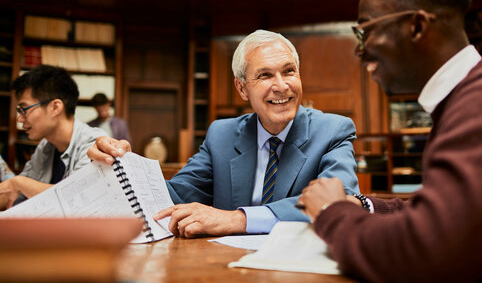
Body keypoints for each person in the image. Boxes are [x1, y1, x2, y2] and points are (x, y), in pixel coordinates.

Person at [298, 0, 482, 282]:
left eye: (365, 31)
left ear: (417, 26)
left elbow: (424, 254)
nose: (360, 51)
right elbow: (446, 212)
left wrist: (331, 213)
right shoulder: (473, 96)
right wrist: (364, 206)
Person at [89, 29, 360, 238]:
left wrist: (237, 219)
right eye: (265, 75)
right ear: (242, 88)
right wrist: (120, 162)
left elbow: (341, 203)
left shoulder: (333, 131)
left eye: (289, 72)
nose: (281, 86)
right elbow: (172, 196)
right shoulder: (222, 135)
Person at [0, 65, 106, 210]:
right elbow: (17, 194)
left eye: (24, 109)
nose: (19, 119)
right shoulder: (46, 146)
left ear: (55, 107)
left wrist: (18, 183)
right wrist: (16, 185)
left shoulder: (95, 142)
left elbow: (77, 198)